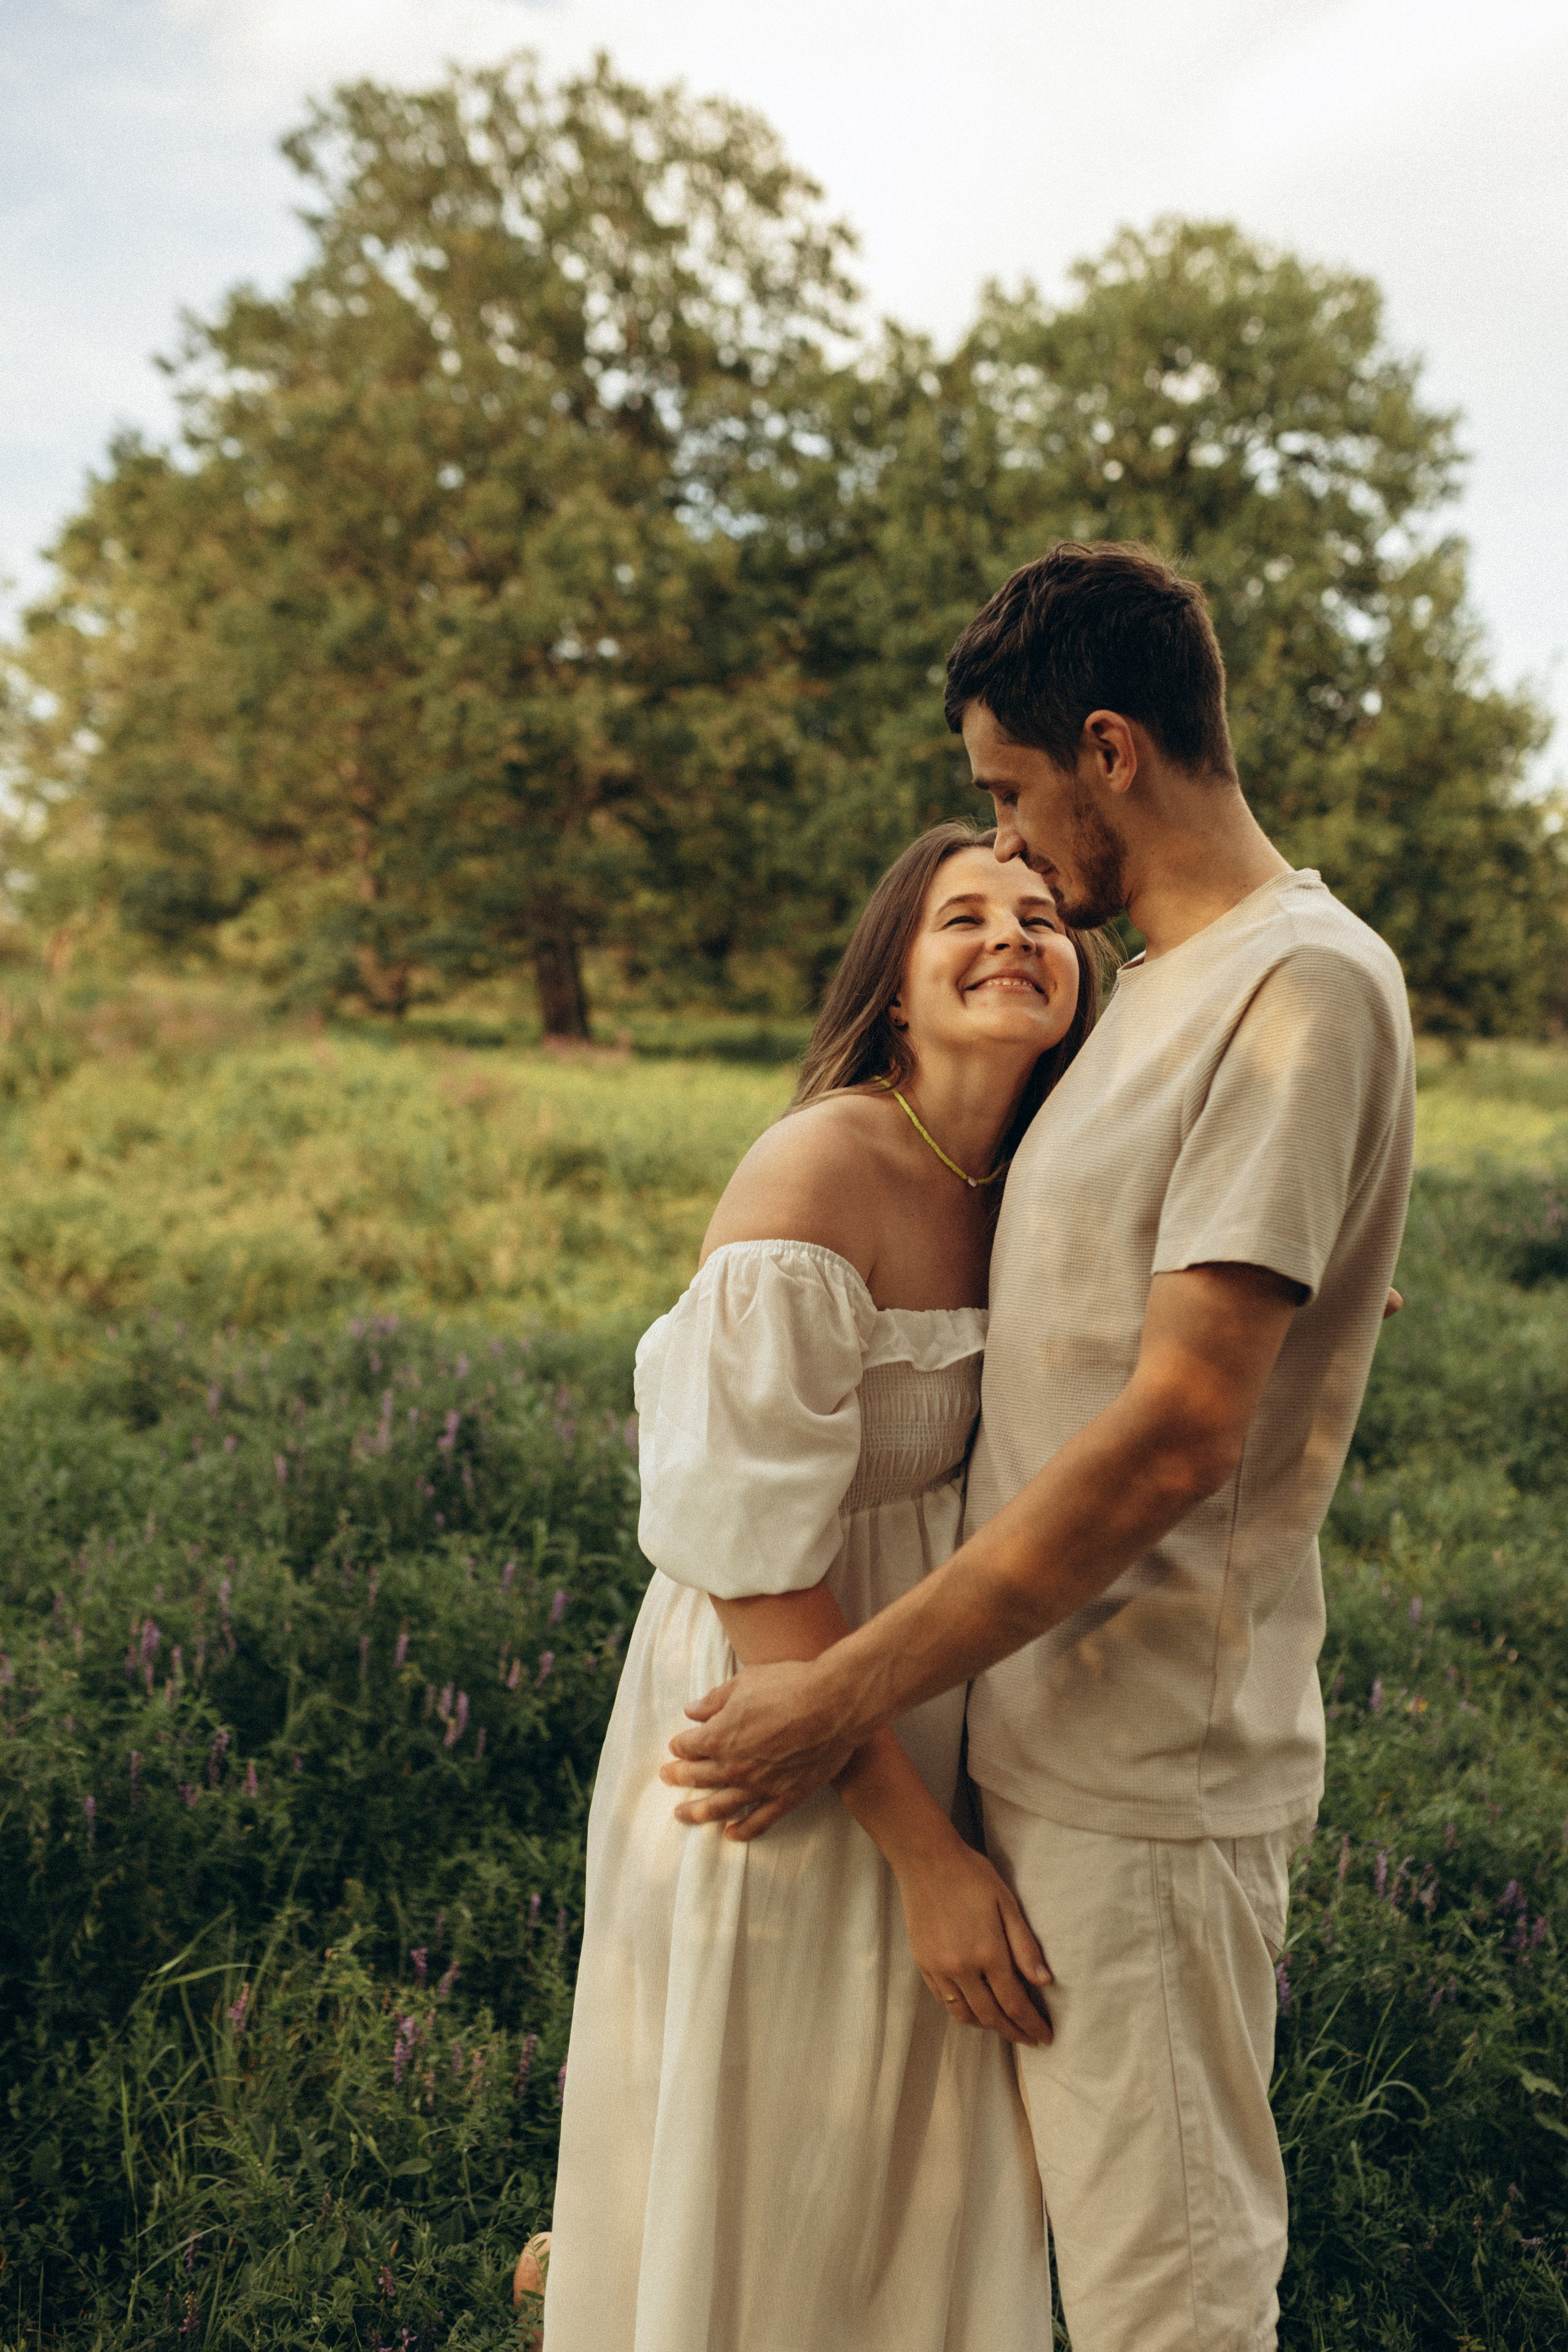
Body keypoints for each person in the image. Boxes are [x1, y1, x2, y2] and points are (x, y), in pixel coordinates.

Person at [663, 541, 1417, 2352]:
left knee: (1172, 2296)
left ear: (1108, 750)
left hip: (1151, 1764)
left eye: (1008, 793)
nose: (1006, 847)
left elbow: (1175, 1437)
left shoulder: (1296, 989)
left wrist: (838, 1695)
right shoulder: (1157, 989)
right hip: (1034, 1732)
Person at [543, 822, 1104, 2352]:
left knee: (918, 2138)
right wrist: (923, 1854)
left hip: (944, 1678)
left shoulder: (1050, 1168)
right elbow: (752, 1548)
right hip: (783, 1685)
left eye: (1040, 914)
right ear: (895, 984)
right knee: (780, 2111)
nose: (1008, 937)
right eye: (962, 919)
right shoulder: (820, 1166)